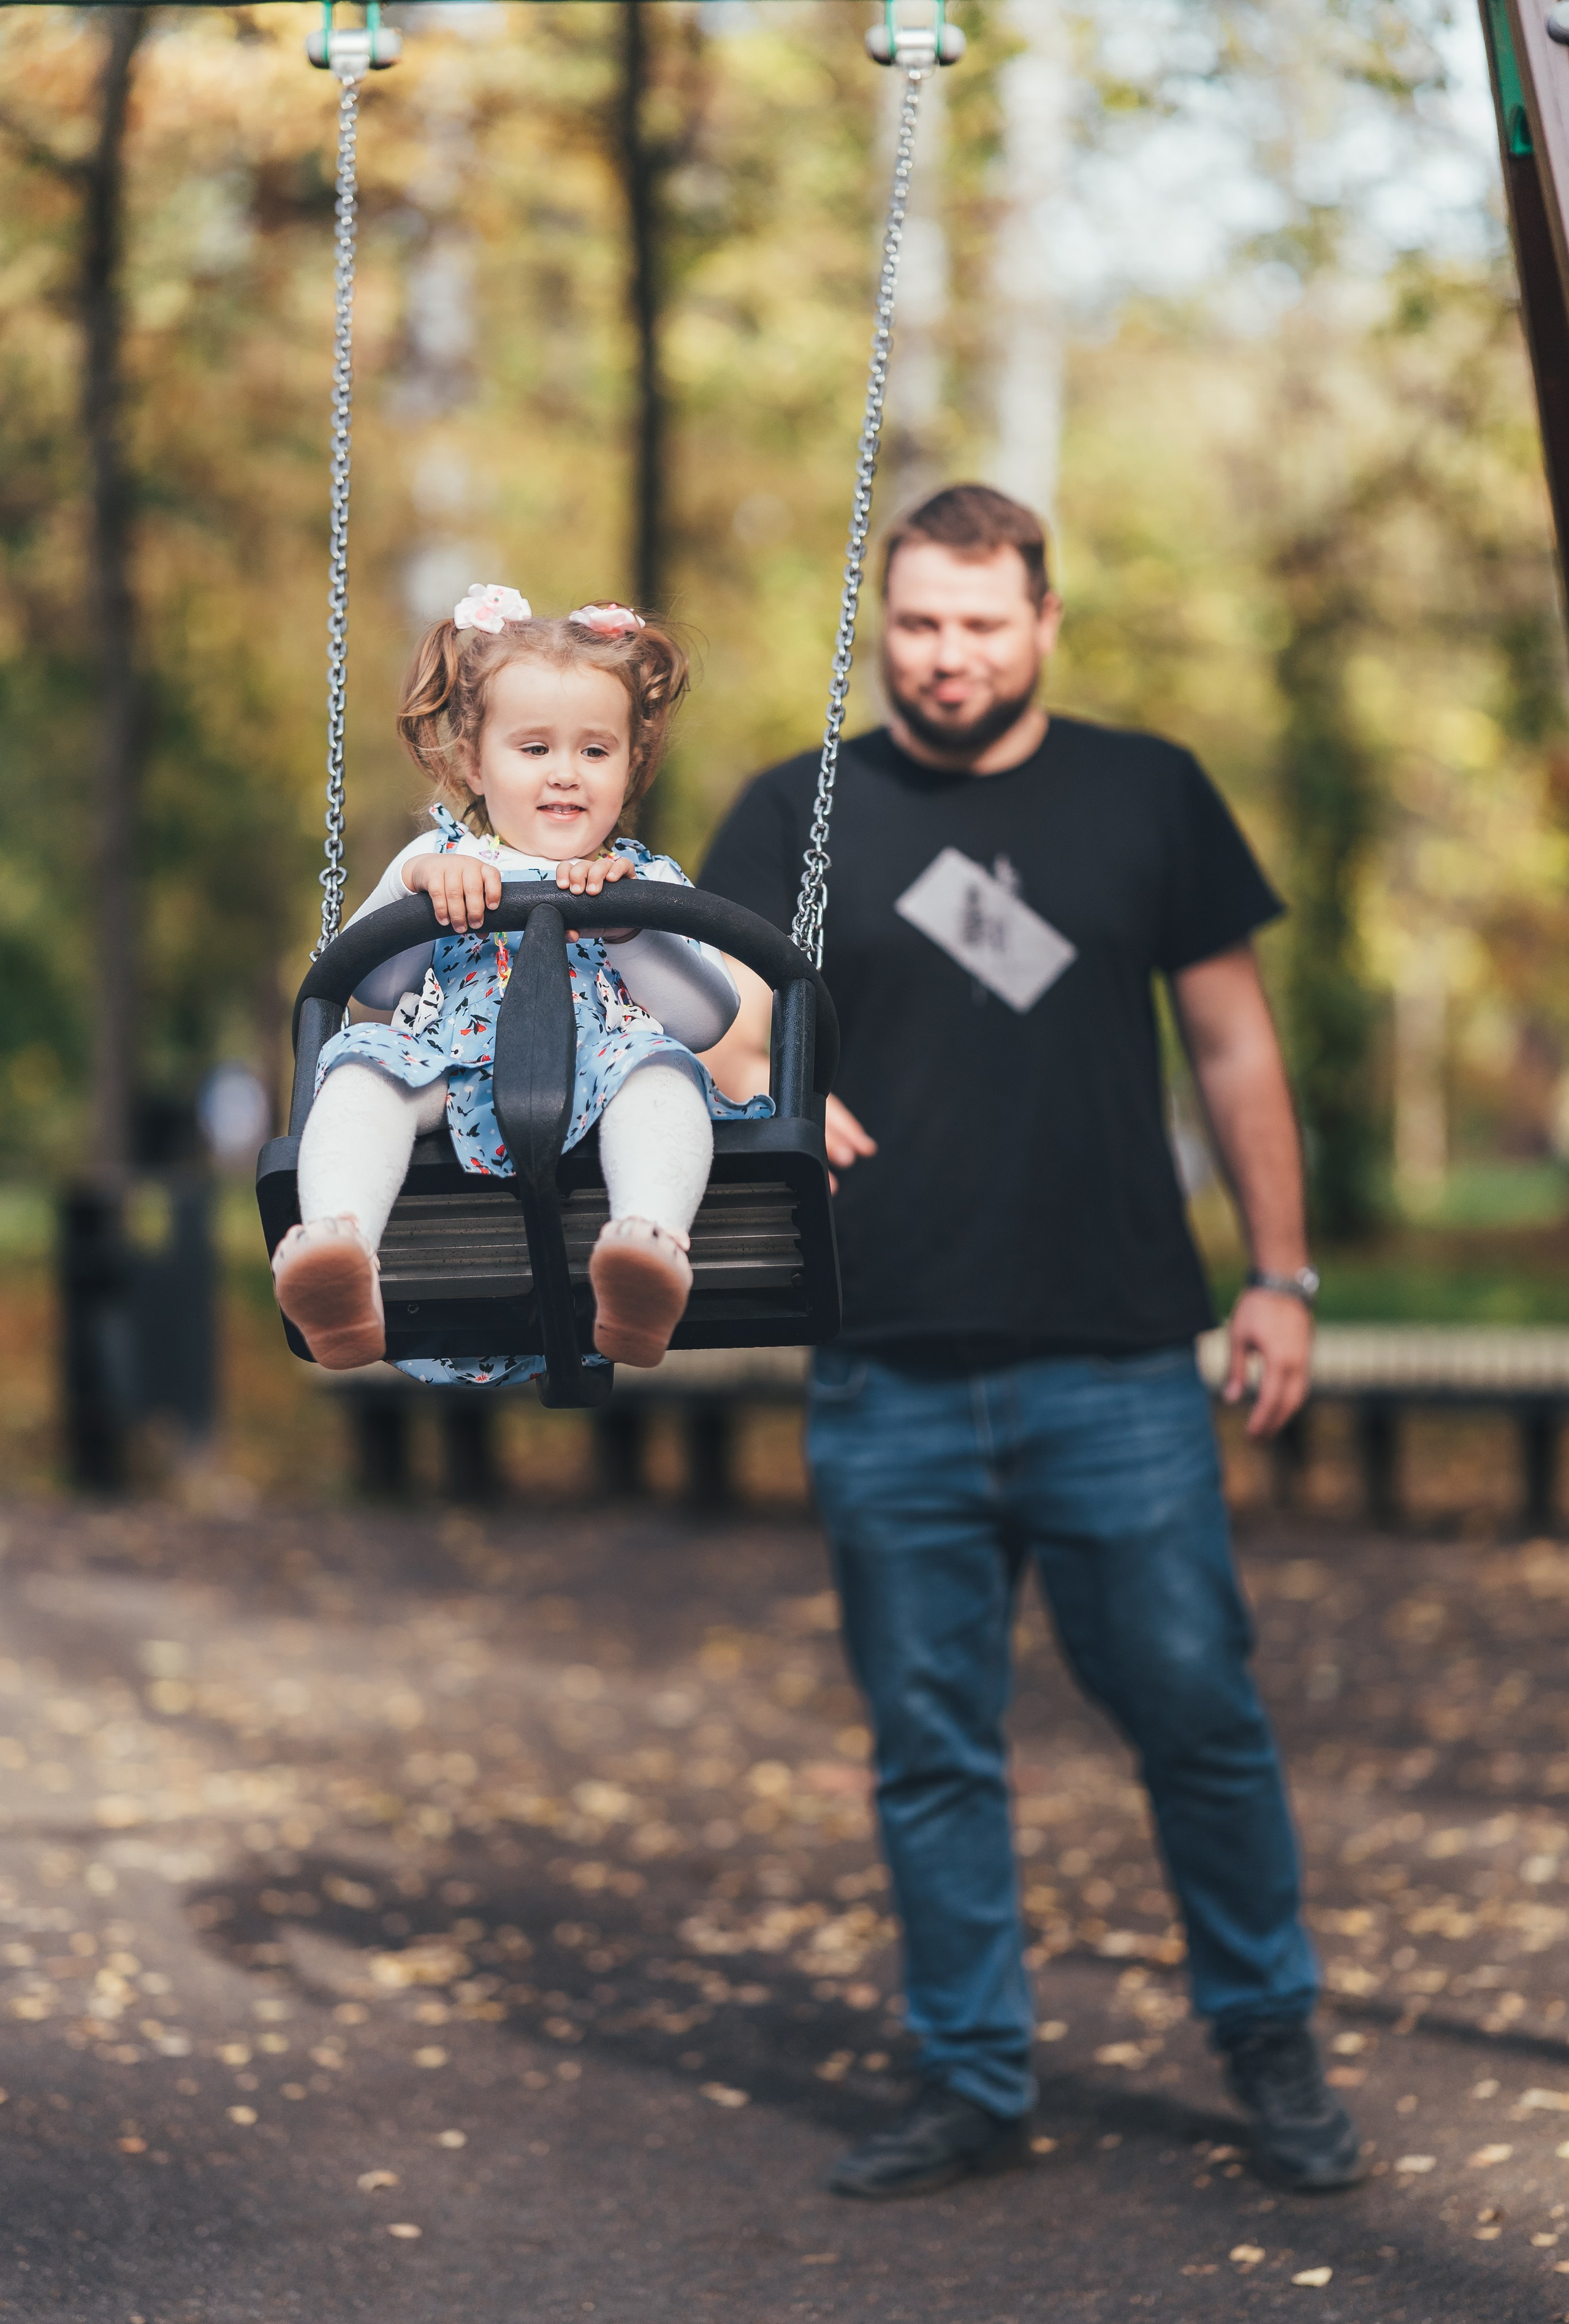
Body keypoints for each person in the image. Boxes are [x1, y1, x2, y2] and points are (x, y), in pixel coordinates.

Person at [699, 484, 1361, 2201]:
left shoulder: (1148, 792)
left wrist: (1277, 1276)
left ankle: (1271, 2039)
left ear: (1045, 623)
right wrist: (756, 1074)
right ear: (886, 625)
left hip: (1121, 1359)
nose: (949, 656)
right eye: (919, 623)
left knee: (1200, 1715)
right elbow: (690, 1011)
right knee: (931, 1746)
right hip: (884, 1361)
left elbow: (1233, 1050)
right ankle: (971, 2077)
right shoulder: (802, 812)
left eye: (983, 624)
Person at [270, 586, 765, 1382]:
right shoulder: (439, 864)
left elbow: (706, 1018)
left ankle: (646, 1254)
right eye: (534, 749)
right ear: (474, 760)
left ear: (631, 766)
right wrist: (414, 887)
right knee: (364, 1069)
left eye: (595, 751)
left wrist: (634, 932)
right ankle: (339, 1253)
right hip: (449, 1070)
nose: (566, 774)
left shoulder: (641, 880)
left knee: (667, 1076)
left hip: (605, 1076)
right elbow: (366, 983)